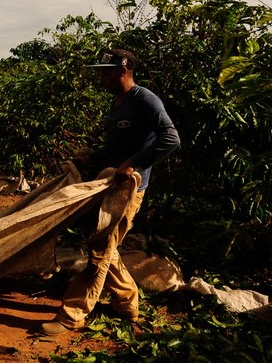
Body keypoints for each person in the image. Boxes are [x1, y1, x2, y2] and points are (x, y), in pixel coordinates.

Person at [41, 48, 180, 335]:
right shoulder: (119, 104)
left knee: (101, 249)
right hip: (108, 186)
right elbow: (118, 147)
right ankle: (128, 303)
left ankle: (72, 315)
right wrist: (92, 156)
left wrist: (134, 163)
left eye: (105, 71)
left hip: (128, 191)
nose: (101, 77)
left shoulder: (144, 99)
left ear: (122, 70)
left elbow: (170, 138)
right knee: (104, 245)